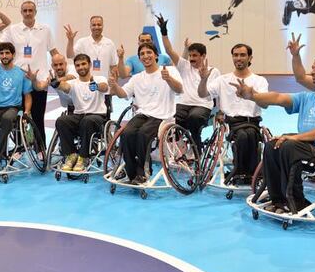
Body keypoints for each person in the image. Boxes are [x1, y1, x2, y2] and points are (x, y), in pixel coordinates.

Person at [233, 55, 315, 213]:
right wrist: (253, 96)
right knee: (272, 145)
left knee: (289, 146)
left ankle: (295, 201)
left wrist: (296, 137)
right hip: (306, 145)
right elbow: (278, 97)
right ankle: (278, 199)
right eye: (312, 68)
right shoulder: (308, 97)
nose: (313, 72)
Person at [109, 43, 183, 184]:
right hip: (143, 114)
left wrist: (168, 79)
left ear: (156, 55)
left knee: (143, 133)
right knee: (126, 133)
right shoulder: (137, 78)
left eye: (149, 52)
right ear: (139, 58)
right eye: (142, 54)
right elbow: (123, 93)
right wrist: (114, 86)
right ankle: (131, 172)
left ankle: (143, 172)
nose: (146, 56)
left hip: (163, 116)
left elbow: (179, 89)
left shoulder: (169, 71)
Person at [198, 43, 268, 184]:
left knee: (250, 133)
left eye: (242, 55)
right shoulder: (223, 80)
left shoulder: (259, 80)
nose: (238, 58)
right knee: (243, 134)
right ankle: (242, 172)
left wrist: (251, 93)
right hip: (232, 122)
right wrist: (204, 79)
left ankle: (250, 173)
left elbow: (264, 104)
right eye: (235, 55)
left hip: (252, 121)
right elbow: (202, 94)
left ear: (250, 58)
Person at [0, 1, 59, 147]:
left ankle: (41, 148)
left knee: (38, 117)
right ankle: (20, 147)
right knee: (19, 116)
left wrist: (62, 68)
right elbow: (0, 49)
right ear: (21, 12)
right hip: (18, 80)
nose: (28, 13)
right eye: (25, 10)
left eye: (30, 10)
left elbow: (53, 51)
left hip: (39, 81)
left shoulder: (46, 29)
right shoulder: (12, 30)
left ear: (35, 12)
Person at [157, 14, 219, 148]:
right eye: (190, 55)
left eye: (195, 55)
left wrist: (204, 78)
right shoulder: (184, 66)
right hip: (184, 104)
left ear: (203, 56)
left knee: (193, 119)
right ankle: (179, 146)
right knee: (171, 118)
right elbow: (169, 50)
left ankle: (196, 148)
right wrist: (164, 31)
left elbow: (213, 95)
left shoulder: (213, 71)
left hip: (202, 106)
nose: (191, 58)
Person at [53, 54, 109, 172]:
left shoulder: (99, 79)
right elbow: (66, 87)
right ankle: (71, 155)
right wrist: (56, 83)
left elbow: (104, 87)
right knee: (62, 121)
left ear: (89, 65)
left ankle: (83, 157)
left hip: (97, 117)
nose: (81, 67)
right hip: (79, 116)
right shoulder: (73, 82)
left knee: (87, 121)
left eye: (83, 64)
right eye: (77, 65)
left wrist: (97, 86)